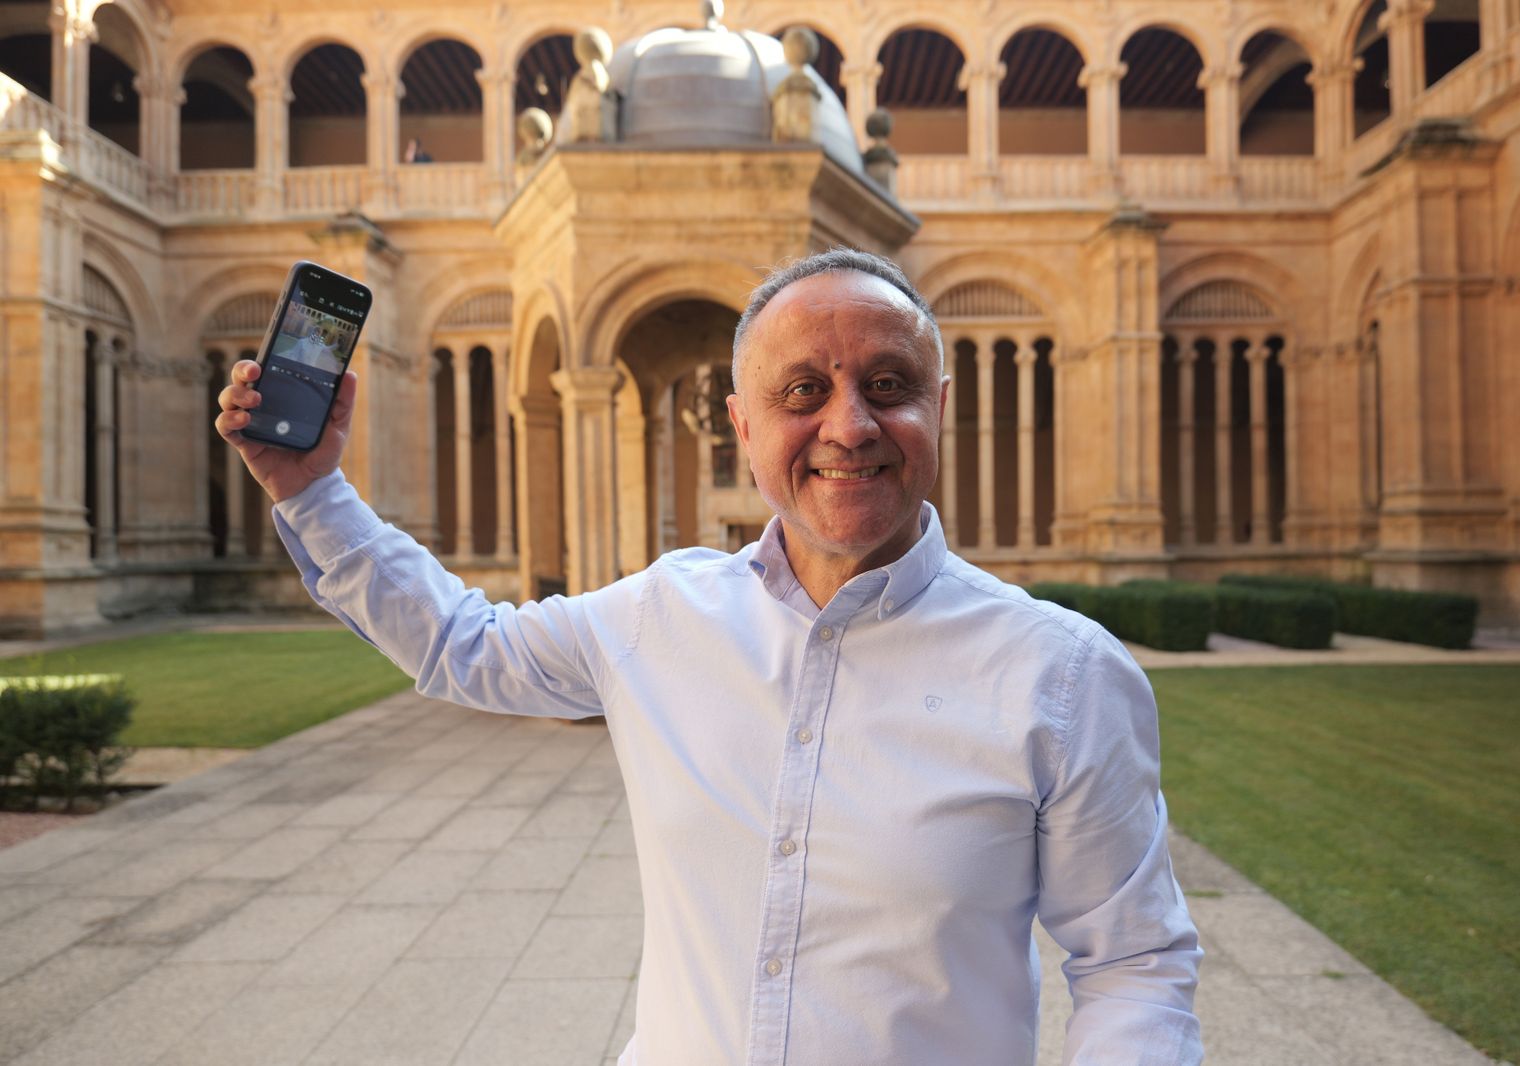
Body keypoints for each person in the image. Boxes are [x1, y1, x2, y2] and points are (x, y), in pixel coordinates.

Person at [214, 248, 1203, 1065]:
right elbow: (460, 644)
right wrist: (310, 491)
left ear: (938, 407)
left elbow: (1132, 964)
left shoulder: (1061, 674)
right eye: (803, 390)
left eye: (889, 386)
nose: (849, 426)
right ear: (741, 423)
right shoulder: (662, 615)